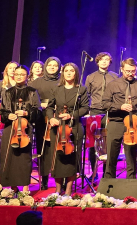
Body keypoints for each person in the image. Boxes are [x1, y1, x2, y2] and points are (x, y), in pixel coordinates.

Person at [102, 58, 137, 179]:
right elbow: (104, 104)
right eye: (127, 71)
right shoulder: (113, 84)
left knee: (131, 157)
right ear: (122, 69)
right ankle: (110, 183)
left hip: (132, 123)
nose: (130, 74)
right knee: (112, 157)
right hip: (116, 122)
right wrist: (120, 106)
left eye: (133, 71)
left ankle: (131, 183)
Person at [42, 63, 89, 195]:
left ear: (76, 73)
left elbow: (85, 108)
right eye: (66, 71)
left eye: (71, 71)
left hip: (74, 127)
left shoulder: (81, 89)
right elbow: (49, 107)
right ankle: (58, 189)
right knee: (57, 157)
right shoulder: (56, 88)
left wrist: (71, 115)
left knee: (72, 157)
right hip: (58, 127)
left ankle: (68, 189)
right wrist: (51, 118)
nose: (68, 73)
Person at [0, 65, 41, 192]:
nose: (19, 76)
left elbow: (38, 111)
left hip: (24, 128)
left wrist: (27, 113)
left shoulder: (32, 91)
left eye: (22, 74)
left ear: (27, 76)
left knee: (24, 157)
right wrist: (8, 115)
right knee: (9, 156)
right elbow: (2, 111)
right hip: (10, 128)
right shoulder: (7, 92)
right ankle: (13, 187)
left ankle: (25, 187)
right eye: (17, 74)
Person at [84, 52, 118, 184]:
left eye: (107, 59)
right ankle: (94, 172)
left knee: (108, 143)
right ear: (97, 62)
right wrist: (88, 110)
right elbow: (86, 95)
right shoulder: (91, 77)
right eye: (102, 59)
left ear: (110, 62)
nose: (104, 62)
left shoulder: (115, 76)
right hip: (95, 111)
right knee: (93, 143)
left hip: (110, 112)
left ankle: (106, 173)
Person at [29, 56, 62, 189]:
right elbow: (30, 99)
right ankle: (44, 179)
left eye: (55, 65)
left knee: (59, 147)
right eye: (50, 65)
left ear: (59, 67)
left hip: (59, 117)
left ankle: (60, 178)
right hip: (41, 117)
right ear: (46, 67)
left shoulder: (62, 80)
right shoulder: (37, 82)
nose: (52, 67)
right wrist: (40, 104)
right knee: (43, 148)